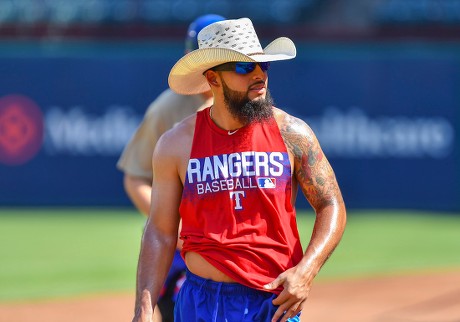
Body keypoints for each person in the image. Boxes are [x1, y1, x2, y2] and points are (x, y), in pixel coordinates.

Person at [132, 17, 347, 322]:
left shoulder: (293, 134)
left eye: (264, 66)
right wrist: (143, 307)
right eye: (245, 67)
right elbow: (160, 232)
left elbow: (331, 203)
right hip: (197, 303)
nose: (259, 74)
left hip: (270, 304)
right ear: (213, 79)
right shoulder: (176, 144)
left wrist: (306, 270)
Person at [117, 14, 226, 322]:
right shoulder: (168, 108)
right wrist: (173, 227)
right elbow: (135, 177)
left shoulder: (245, 106)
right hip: (180, 251)